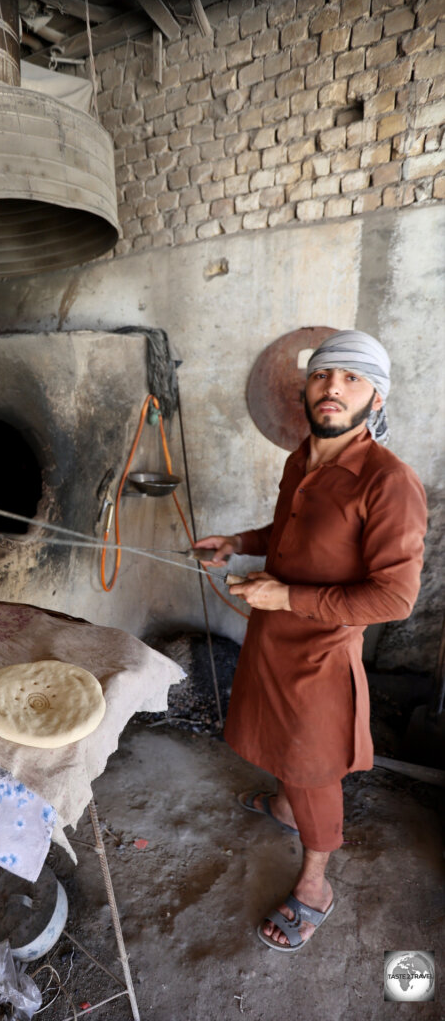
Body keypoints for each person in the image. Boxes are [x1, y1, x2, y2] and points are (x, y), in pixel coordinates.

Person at [194, 330, 428, 953]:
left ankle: (316, 884)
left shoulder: (389, 482)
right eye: (324, 376)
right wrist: (241, 543)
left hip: (320, 655)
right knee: (276, 740)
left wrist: (289, 598)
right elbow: (290, 532)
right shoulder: (303, 457)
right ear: (306, 389)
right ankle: (284, 806)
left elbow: (394, 598)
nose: (333, 388)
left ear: (376, 397)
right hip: (272, 636)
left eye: (352, 379)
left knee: (313, 767)